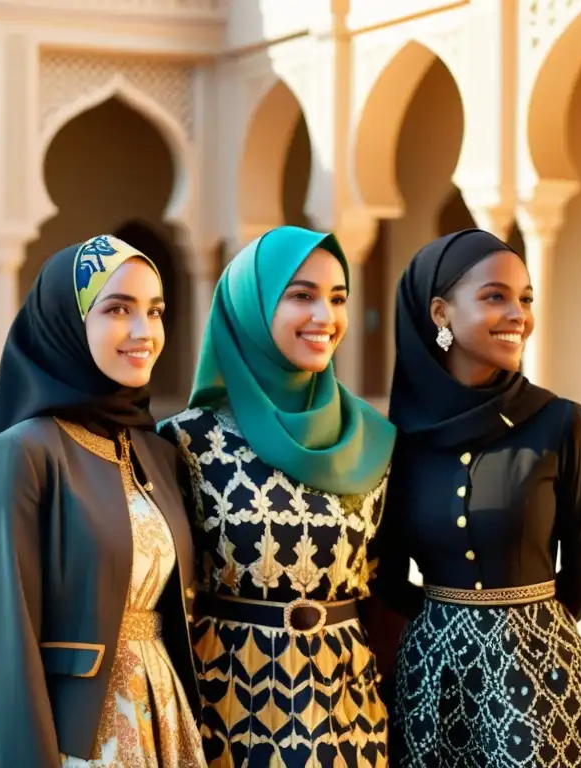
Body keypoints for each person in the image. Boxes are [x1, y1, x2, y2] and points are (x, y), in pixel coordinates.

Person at [376, 228, 581, 767]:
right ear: (440, 312)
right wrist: (448, 622)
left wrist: (528, 631)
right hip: (433, 675)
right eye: (495, 296)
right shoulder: (399, 443)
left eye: (526, 299)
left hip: (539, 674)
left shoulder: (560, 423)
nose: (519, 314)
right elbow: (386, 572)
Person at [158, 225, 398, 767]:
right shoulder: (190, 440)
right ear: (251, 306)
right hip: (229, 702)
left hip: (348, 703)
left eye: (338, 298)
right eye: (301, 295)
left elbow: (387, 593)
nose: (325, 317)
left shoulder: (375, 439)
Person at [0, 234, 205, 768]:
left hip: (163, 713)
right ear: (67, 322)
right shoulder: (25, 453)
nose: (144, 332)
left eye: (155, 310)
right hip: (76, 736)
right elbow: (10, 639)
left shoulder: (156, 450)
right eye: (118, 309)